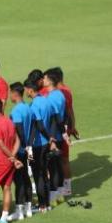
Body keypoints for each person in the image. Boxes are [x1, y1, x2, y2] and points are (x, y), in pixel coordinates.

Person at [24, 79, 53, 212]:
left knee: (38, 175)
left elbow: (39, 126)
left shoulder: (34, 105)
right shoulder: (46, 101)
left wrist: (49, 138)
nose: (25, 91)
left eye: (26, 89)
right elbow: (51, 120)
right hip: (45, 144)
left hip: (38, 145)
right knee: (45, 173)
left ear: (30, 89)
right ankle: (47, 203)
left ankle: (42, 205)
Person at [9, 82, 34, 220]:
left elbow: (18, 130)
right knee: (26, 178)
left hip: (19, 150)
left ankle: (19, 210)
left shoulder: (16, 110)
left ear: (14, 93)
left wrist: (23, 146)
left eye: (10, 93)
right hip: (28, 148)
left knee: (18, 180)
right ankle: (28, 208)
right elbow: (33, 127)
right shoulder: (28, 108)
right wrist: (29, 145)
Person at [43, 68, 67, 204]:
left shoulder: (53, 97)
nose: (43, 80)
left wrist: (52, 138)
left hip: (53, 137)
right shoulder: (59, 95)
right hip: (57, 136)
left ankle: (53, 197)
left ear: (50, 81)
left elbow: (55, 119)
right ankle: (60, 194)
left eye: (45, 78)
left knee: (52, 167)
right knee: (57, 165)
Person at [53, 67, 77, 195]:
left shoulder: (58, 92)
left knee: (56, 159)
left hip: (59, 128)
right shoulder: (68, 90)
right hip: (67, 127)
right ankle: (67, 187)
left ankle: (57, 186)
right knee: (64, 159)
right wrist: (73, 126)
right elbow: (70, 110)